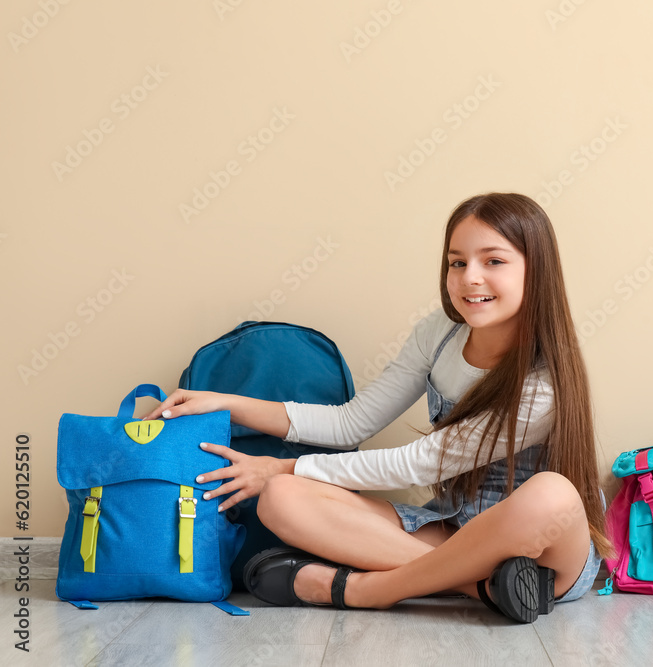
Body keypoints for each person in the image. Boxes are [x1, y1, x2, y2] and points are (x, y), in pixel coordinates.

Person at [143, 192, 611, 623]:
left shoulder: (543, 383)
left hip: (546, 557)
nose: (470, 277)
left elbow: (416, 463)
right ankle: (485, 588)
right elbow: (351, 422)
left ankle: (365, 591)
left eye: (494, 261)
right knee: (281, 500)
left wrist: (279, 468)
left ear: (536, 270)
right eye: (456, 262)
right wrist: (228, 403)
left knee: (552, 493)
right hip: (453, 527)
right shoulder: (440, 334)